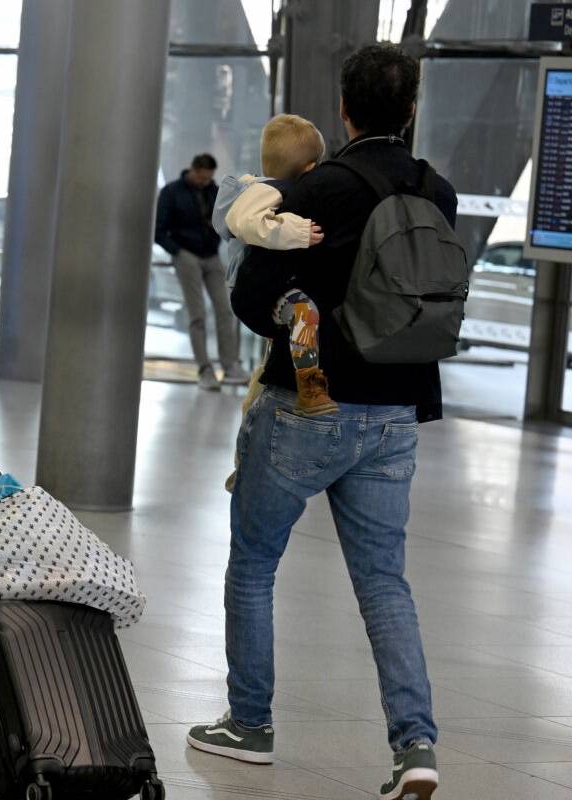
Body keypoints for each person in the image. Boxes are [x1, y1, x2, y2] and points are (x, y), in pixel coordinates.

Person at [186, 44, 456, 800]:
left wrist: (291, 310)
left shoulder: (320, 186)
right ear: (412, 109)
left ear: (344, 109)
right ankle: (416, 745)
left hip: (308, 404)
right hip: (398, 411)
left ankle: (250, 725)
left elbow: (251, 297)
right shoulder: (438, 191)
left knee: (254, 561)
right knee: (384, 583)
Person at [213, 113, 333, 421]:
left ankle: (263, 396)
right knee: (305, 313)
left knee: (288, 331)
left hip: (258, 286)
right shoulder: (269, 190)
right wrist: (297, 231)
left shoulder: (267, 188)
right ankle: (310, 387)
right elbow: (244, 221)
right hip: (252, 287)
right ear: (310, 168)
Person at [155, 153, 249, 391]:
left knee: (224, 310)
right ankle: (205, 370)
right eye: (202, 177)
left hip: (211, 255)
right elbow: (159, 230)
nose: (205, 181)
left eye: (208, 178)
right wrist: (177, 251)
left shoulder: (213, 192)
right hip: (186, 254)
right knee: (197, 314)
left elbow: (223, 221)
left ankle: (230, 365)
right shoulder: (171, 192)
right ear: (193, 170)